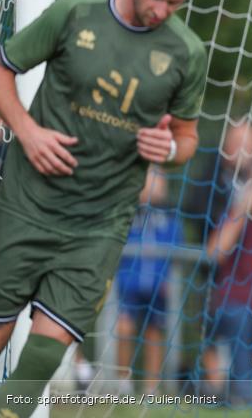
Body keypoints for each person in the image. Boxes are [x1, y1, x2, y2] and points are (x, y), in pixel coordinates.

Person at [0, 0, 205, 418]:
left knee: (44, 354)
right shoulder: (75, 13)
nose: (160, 10)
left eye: (175, 2)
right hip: (27, 202)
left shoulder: (186, 52)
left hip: (100, 222)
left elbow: (187, 139)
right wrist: (27, 131)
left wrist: (168, 149)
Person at [201, 120, 252, 406]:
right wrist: (247, 201)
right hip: (230, 299)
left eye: (249, 143)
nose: (244, 150)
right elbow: (214, 251)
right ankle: (242, 396)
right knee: (240, 318)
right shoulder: (214, 191)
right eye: (237, 143)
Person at [115, 167, 182, 394]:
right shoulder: (127, 213)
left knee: (154, 334)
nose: (153, 186)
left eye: (158, 181)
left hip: (157, 286)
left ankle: (151, 388)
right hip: (129, 283)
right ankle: (123, 381)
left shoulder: (169, 218)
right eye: (148, 180)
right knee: (124, 328)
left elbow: (177, 247)